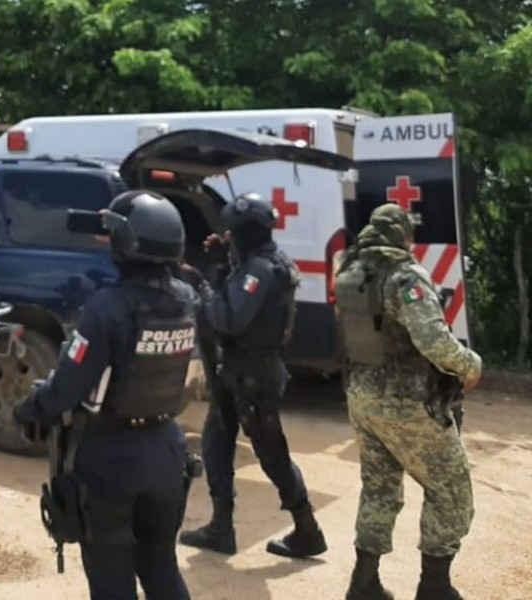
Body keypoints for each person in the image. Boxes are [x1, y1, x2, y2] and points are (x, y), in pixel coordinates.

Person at [14, 190, 194, 600]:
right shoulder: (186, 299)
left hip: (109, 460)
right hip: (166, 452)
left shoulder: (107, 308)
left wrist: (29, 409)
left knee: (112, 577)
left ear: (126, 244)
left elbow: (66, 389)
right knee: (160, 565)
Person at [334, 203, 482, 600]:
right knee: (451, 490)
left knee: (379, 489)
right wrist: (471, 366)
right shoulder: (405, 277)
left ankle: (363, 584)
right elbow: (434, 342)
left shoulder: (348, 273)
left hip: (361, 398)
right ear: (402, 237)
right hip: (405, 402)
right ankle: (434, 587)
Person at [179, 192, 327, 558]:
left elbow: (229, 319)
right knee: (216, 442)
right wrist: (222, 263)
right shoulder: (255, 263)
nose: (226, 238)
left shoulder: (260, 270)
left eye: (230, 233)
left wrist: (202, 284)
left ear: (244, 232)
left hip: (254, 377)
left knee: (272, 455)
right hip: (237, 373)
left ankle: (308, 530)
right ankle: (220, 528)